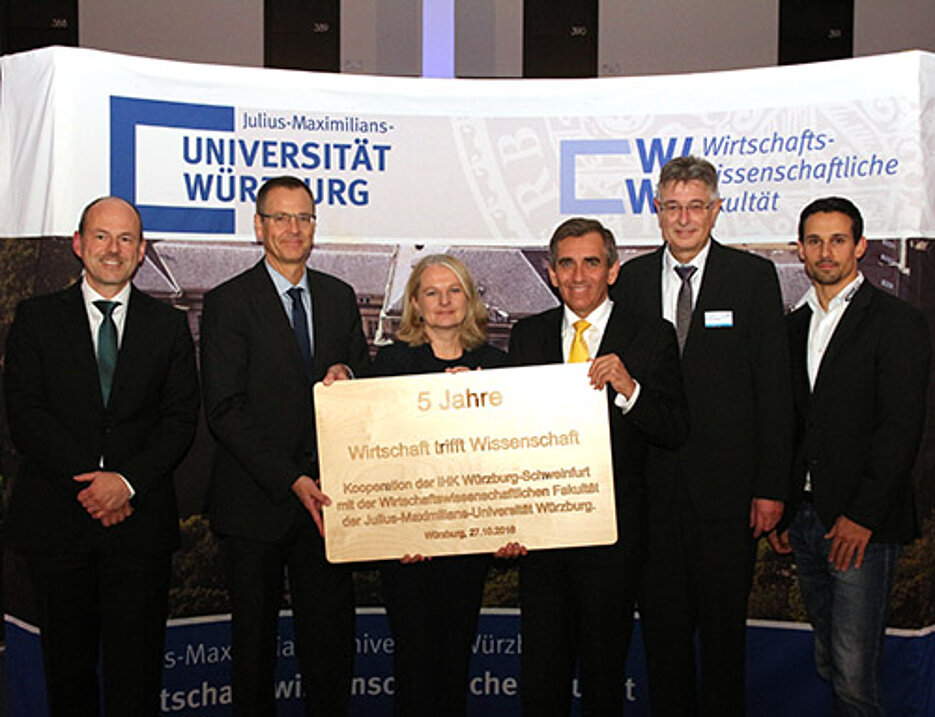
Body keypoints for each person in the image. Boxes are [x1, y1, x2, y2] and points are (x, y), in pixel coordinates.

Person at [3, 196, 199, 716]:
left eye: (126, 238)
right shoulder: (37, 318)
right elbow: (25, 413)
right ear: (78, 244)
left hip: (139, 527)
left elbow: (180, 419)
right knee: (68, 676)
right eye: (101, 236)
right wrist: (93, 485)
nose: (113, 249)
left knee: (137, 678)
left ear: (141, 251)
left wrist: (125, 483)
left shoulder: (168, 325)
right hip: (58, 524)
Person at [613, 155, 793, 716]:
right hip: (651, 498)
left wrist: (772, 487)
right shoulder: (631, 281)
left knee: (722, 642)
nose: (684, 218)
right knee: (662, 641)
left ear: (716, 210)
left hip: (728, 498)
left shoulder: (752, 277)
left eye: (696, 206)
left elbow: (774, 390)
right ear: (656, 210)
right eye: (673, 207)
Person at [200, 175, 370, 716]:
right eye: (281, 217)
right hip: (257, 502)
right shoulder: (228, 302)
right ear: (259, 226)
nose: (293, 228)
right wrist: (291, 478)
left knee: (330, 646)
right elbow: (225, 409)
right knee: (254, 649)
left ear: (314, 226)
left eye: (304, 218)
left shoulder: (340, 297)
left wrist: (349, 374)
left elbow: (363, 381)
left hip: (330, 502)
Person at [509, 217, 688, 715]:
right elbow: (509, 433)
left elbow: (675, 428)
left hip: (614, 540)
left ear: (612, 270)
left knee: (603, 680)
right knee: (542, 679)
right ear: (551, 273)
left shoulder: (650, 334)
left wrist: (630, 389)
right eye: (566, 264)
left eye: (591, 262)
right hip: (543, 539)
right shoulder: (528, 335)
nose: (578, 275)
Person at [767, 197, 930, 716]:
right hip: (805, 520)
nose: (825, 252)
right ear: (799, 249)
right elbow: (792, 426)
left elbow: (901, 429)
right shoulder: (792, 327)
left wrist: (862, 517)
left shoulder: (896, 322)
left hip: (861, 526)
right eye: (814, 241)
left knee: (855, 675)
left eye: (838, 240)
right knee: (829, 661)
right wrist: (784, 508)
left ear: (860, 246)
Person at [372, 253, 507, 716]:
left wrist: (479, 401)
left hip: (469, 543)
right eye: (432, 292)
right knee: (414, 667)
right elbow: (376, 455)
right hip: (408, 547)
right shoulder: (391, 364)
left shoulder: (496, 366)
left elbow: (509, 456)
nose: (444, 301)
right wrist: (400, 532)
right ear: (415, 303)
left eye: (454, 291)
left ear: (469, 300)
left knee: (454, 666)